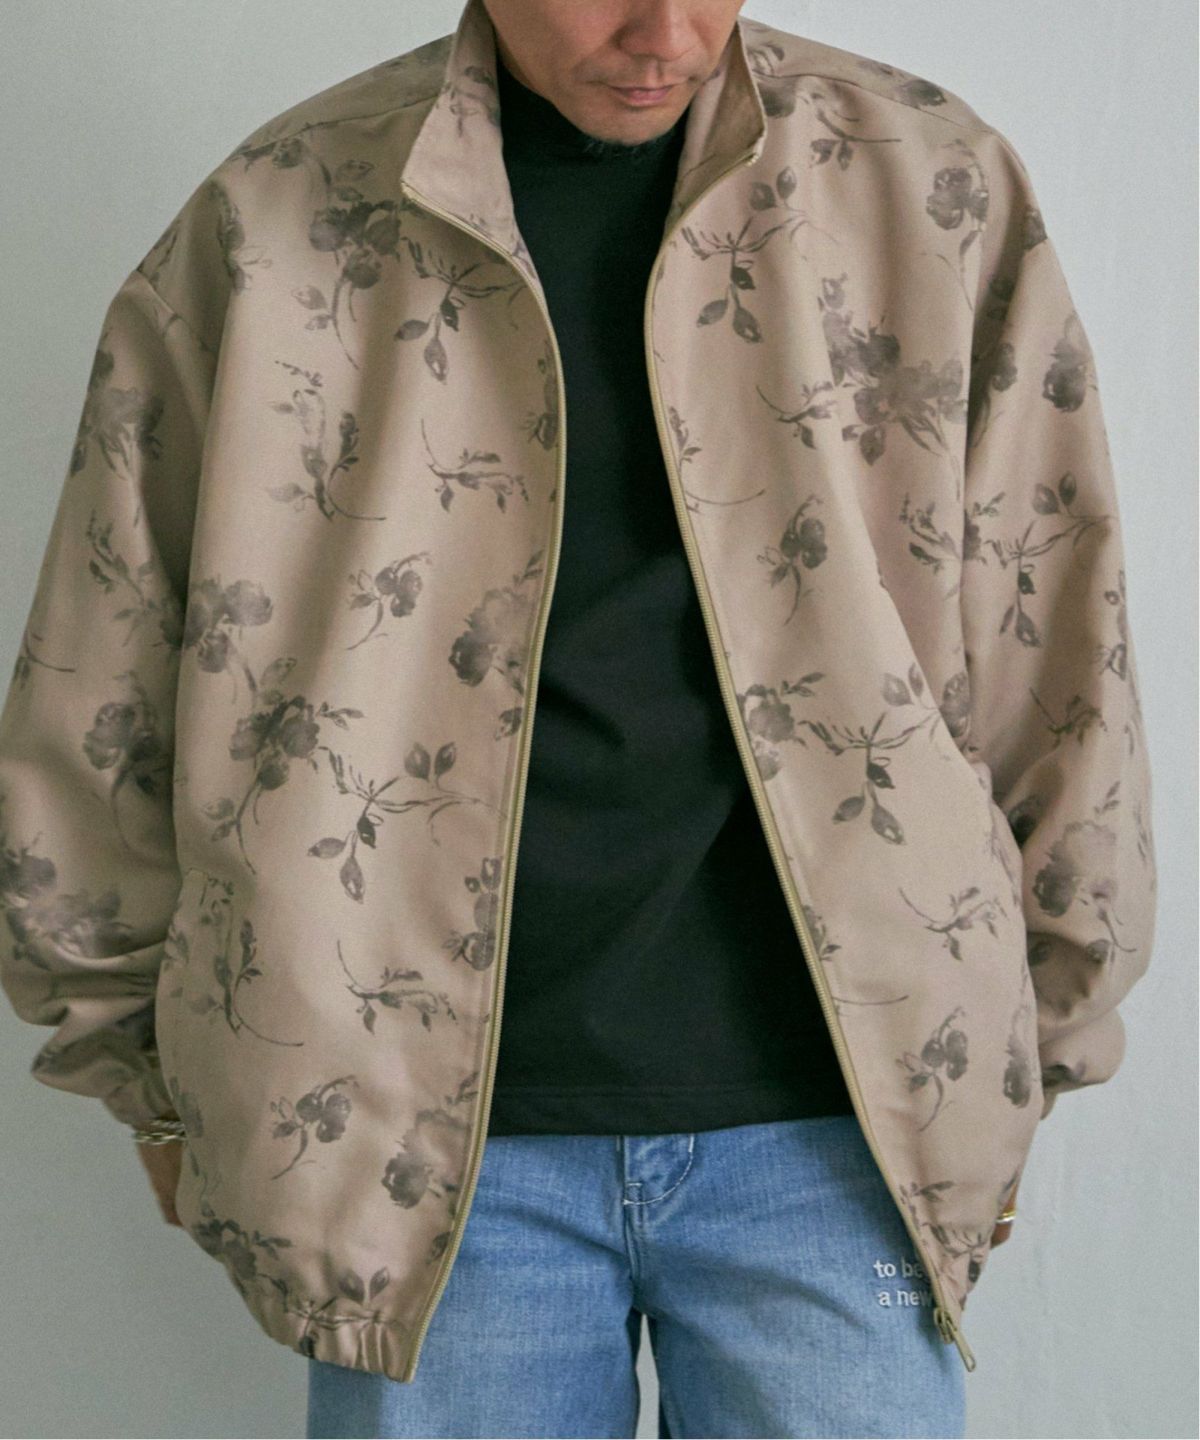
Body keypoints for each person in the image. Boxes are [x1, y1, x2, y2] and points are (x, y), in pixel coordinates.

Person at [0, 1, 1156, 1436]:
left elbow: (1058, 632)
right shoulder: (278, 220)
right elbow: (104, 670)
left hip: (848, 1137)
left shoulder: (927, 183)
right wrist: (146, 1077)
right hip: (409, 1149)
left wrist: (1030, 1039)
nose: (663, 31)